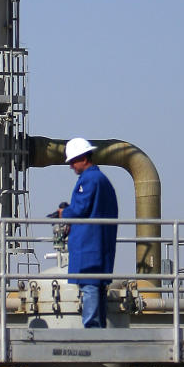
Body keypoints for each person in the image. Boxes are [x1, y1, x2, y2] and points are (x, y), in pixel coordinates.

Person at [57, 137, 118, 329]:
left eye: (73, 161)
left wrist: (64, 213)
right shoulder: (101, 180)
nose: (71, 167)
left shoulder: (90, 180)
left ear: (84, 158)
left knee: (90, 284)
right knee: (96, 286)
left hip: (89, 244)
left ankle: (91, 329)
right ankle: (97, 329)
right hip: (98, 242)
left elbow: (80, 209)